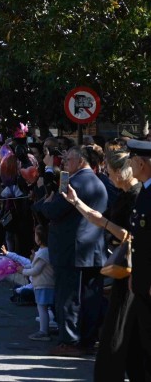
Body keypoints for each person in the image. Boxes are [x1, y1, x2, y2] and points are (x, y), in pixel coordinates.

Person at [65, 145, 150, 376]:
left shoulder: (137, 195)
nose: (107, 175)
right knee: (130, 334)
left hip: (133, 270)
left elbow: (127, 235)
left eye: (110, 171)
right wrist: (76, 203)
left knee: (119, 329)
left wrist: (104, 223)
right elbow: (101, 219)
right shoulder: (125, 194)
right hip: (126, 271)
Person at [33, 146, 108, 357]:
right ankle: (87, 339)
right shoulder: (97, 181)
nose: (64, 163)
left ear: (81, 161)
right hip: (91, 250)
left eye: (68, 159)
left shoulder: (74, 182)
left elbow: (54, 210)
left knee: (69, 297)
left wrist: (43, 205)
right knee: (89, 297)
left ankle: (70, 341)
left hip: (72, 250)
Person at [17, 225, 55, 341]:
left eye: (35, 235)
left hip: (43, 284)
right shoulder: (46, 251)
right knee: (50, 308)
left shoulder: (43, 253)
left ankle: (43, 331)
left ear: (40, 238)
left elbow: (36, 270)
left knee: (42, 308)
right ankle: (50, 326)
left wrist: (22, 271)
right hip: (47, 284)